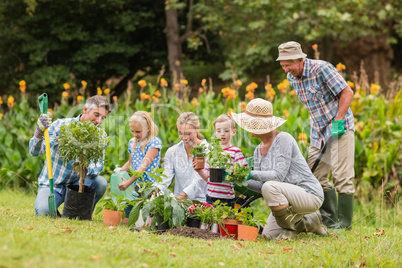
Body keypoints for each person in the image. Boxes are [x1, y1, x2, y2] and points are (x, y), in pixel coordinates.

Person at [276, 41, 355, 230]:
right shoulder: (292, 78)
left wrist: (338, 119)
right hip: (318, 133)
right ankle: (330, 220)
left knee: (341, 176)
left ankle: (344, 225)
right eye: (283, 65)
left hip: (339, 127)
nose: (286, 69)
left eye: (288, 64)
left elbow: (347, 92)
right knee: (315, 177)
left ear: (300, 59)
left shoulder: (322, 69)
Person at [232, 98, 329, 240]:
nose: (246, 126)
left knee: (270, 186)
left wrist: (250, 173)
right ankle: (310, 222)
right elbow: (261, 187)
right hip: (288, 198)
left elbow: (277, 177)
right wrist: (238, 181)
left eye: (250, 122)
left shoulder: (284, 139)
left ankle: (289, 231)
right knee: (267, 236)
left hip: (309, 194)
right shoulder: (258, 150)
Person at [29, 95, 111, 216]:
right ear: (85, 110)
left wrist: (85, 169)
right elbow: (35, 152)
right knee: (43, 211)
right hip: (53, 185)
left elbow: (98, 165)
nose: (99, 121)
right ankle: (54, 211)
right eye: (97, 115)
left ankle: (81, 212)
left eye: (103, 118)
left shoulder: (100, 135)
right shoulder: (61, 126)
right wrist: (39, 132)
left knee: (101, 183)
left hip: (78, 185)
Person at [115, 111, 161, 223]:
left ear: (148, 128)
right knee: (126, 220)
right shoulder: (132, 142)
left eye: (138, 132)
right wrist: (120, 171)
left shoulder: (154, 143)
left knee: (146, 221)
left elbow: (143, 166)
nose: (135, 134)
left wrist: (128, 182)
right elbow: (131, 163)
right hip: (136, 186)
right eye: (132, 131)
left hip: (150, 187)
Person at [194, 114, 248, 208]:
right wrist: (199, 170)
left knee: (225, 221)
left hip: (227, 198)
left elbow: (244, 172)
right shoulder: (212, 152)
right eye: (219, 131)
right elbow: (208, 178)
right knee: (210, 222)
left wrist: (231, 175)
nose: (222, 133)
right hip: (210, 197)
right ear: (215, 133)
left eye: (226, 130)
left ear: (233, 132)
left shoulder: (235, 151)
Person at [156, 112, 208, 202]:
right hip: (179, 205)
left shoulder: (207, 151)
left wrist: (178, 199)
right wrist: (155, 190)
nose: (184, 138)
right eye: (180, 133)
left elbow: (199, 182)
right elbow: (165, 176)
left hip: (202, 203)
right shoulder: (173, 152)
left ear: (198, 129)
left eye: (188, 134)